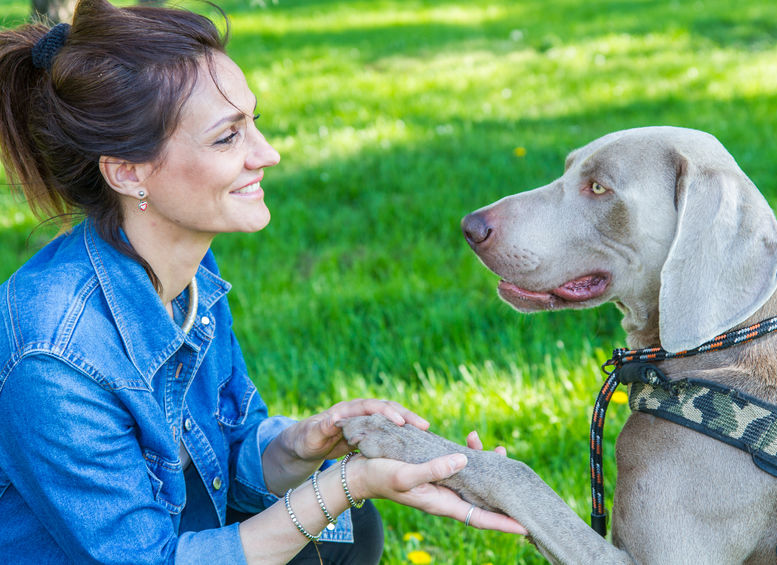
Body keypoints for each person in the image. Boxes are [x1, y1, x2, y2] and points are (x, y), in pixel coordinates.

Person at [0, 1, 527, 563]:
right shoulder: (54, 354)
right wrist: (343, 485)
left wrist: (304, 445)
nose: (267, 154)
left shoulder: (187, 268)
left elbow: (224, 452)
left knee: (349, 529)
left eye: (253, 121)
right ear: (128, 172)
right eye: (227, 138)